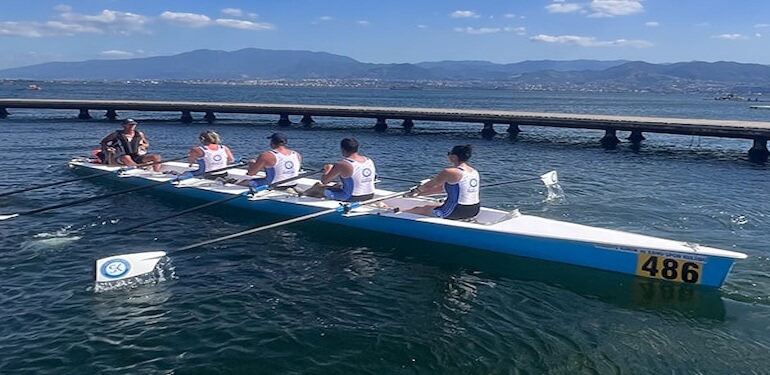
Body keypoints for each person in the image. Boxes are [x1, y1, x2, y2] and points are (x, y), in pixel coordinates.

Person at [405, 145, 480, 220]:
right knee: (428, 206)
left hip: (455, 210)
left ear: (453, 157)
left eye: (449, 153)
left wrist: (415, 191)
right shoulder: (474, 172)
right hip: (474, 210)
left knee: (418, 209)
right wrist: (419, 194)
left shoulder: (450, 172)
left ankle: (398, 214)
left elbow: (429, 185)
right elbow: (441, 188)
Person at [302, 137, 376, 202]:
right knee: (338, 185)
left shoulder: (343, 164)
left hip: (351, 197)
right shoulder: (369, 160)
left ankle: (303, 196)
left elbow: (324, 181)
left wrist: (328, 169)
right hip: (370, 195)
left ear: (343, 150)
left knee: (318, 188)